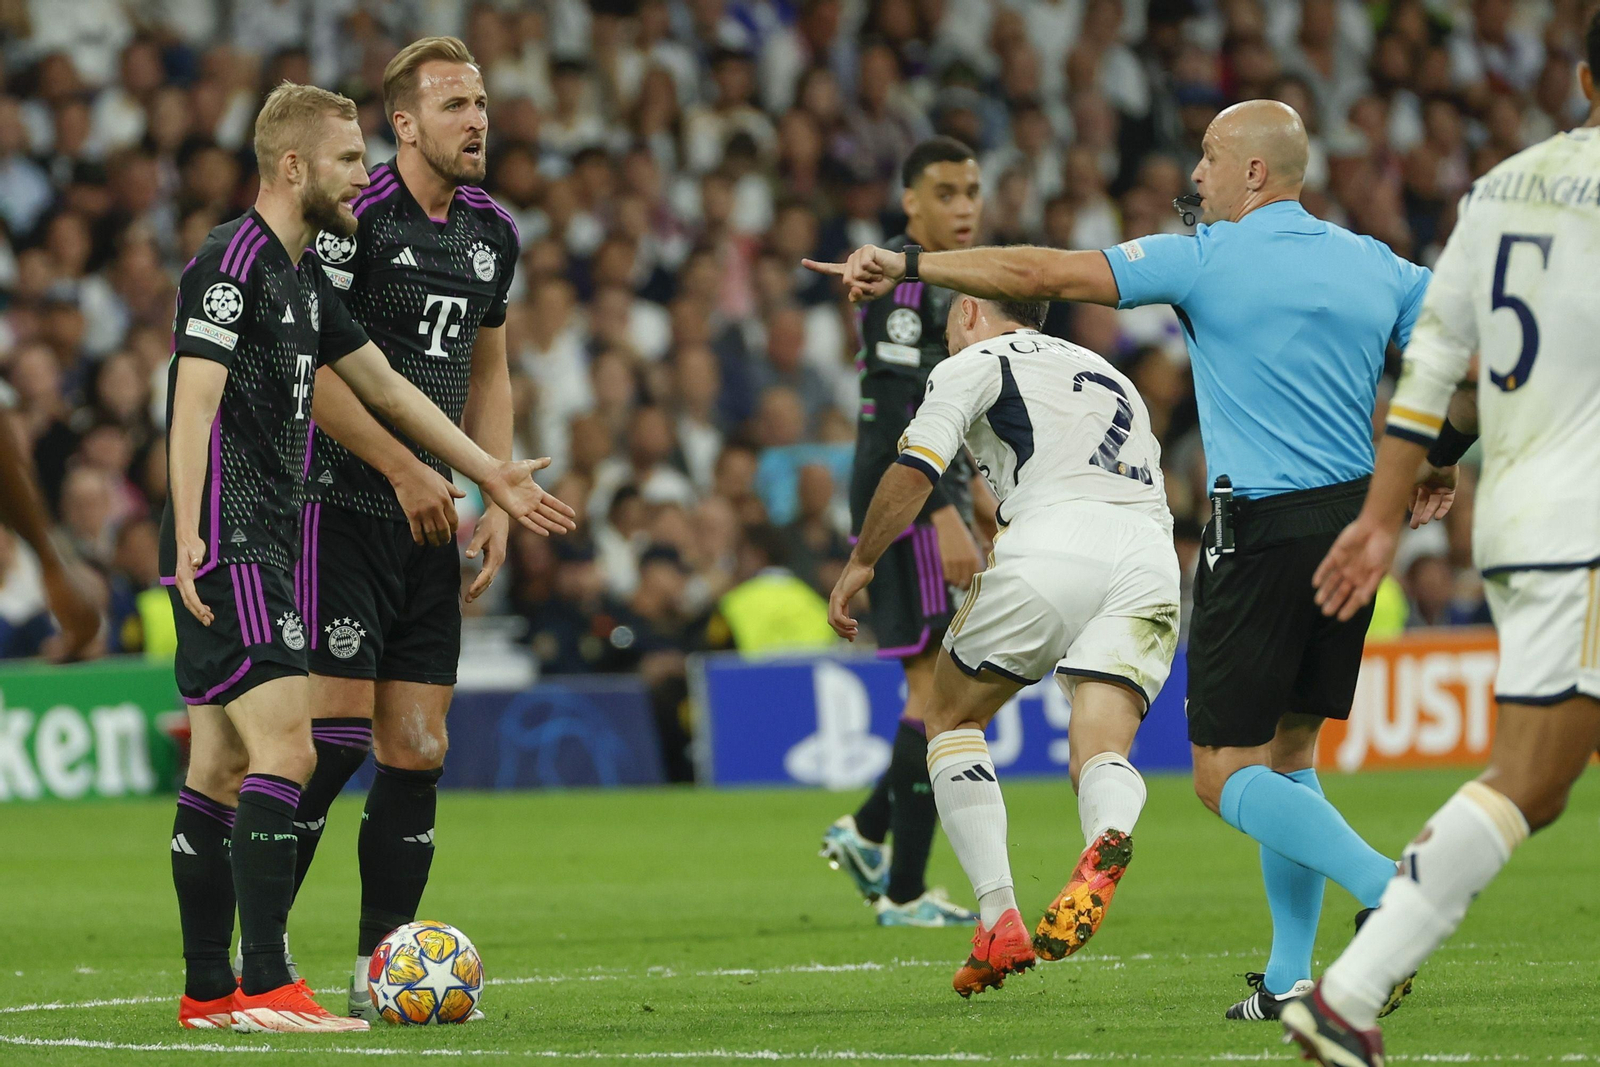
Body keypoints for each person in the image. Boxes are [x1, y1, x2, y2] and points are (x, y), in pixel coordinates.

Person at [807, 99, 1449, 1019]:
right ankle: (1290, 976)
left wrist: (906, 263)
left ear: (1255, 174)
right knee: (1290, 751)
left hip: (1255, 527)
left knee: (1222, 773)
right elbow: (1455, 356)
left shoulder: (1203, 258)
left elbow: (1038, 272)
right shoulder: (1378, 263)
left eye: (1211, 158)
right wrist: (1441, 456)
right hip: (1347, 524)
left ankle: (1393, 891)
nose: (1196, 175)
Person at [165, 81, 574, 1034]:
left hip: (260, 537)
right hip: (234, 534)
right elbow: (192, 402)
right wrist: (189, 528)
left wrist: (488, 475)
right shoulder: (230, 265)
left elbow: (386, 383)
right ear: (297, 166)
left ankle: (207, 992)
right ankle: (266, 984)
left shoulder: (299, 273)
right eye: (349, 161)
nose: (364, 178)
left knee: (223, 764)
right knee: (292, 746)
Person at [1284, 16, 1600, 1065]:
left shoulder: (1501, 187)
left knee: (1537, 779)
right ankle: (1348, 989)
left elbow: (1437, 372)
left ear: (1583, 75)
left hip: (1517, 515)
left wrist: (1384, 510)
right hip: (1587, 525)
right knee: (1527, 775)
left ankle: (1348, 993)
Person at [828, 295, 1179, 996]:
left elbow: (915, 467)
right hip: (1149, 555)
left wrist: (863, 559)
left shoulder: (977, 360)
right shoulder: (1105, 370)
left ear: (967, 310)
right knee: (1101, 749)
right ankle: (1107, 834)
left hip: (1053, 541)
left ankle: (997, 917)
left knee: (949, 716)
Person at [279, 36, 524, 1021]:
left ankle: (378, 965)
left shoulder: (492, 231)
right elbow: (321, 370)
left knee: (418, 745)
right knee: (334, 737)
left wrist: (494, 488)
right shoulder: (354, 218)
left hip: (433, 520)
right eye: (456, 104)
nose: (478, 119)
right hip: (339, 502)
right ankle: (261, 959)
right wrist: (403, 465)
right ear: (405, 123)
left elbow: (491, 366)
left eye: (482, 101)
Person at [818, 136, 991, 929]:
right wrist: (945, 508)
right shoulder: (903, 282)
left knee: (944, 692)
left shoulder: (948, 280)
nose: (963, 206)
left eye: (972, 191)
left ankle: (865, 831)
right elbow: (897, 408)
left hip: (935, 487)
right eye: (946, 193)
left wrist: (976, 492)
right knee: (936, 693)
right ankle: (903, 891)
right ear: (911, 203)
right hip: (909, 492)